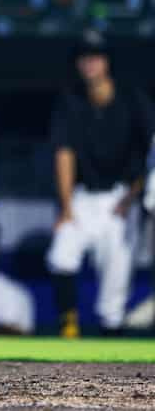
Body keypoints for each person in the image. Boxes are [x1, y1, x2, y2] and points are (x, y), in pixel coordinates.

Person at [46, 30, 154, 337]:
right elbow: (64, 154)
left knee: (115, 283)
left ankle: (110, 340)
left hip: (122, 198)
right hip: (83, 197)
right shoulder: (71, 101)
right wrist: (66, 207)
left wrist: (134, 195)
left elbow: (151, 148)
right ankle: (68, 325)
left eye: (95, 56)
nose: (90, 63)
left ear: (107, 61)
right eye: (84, 57)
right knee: (61, 253)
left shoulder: (132, 98)